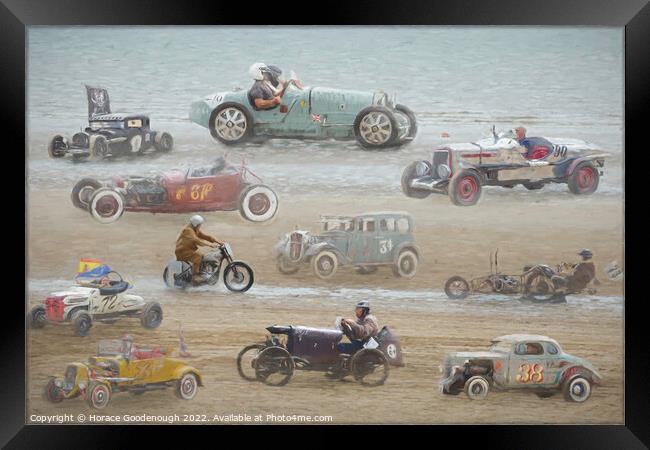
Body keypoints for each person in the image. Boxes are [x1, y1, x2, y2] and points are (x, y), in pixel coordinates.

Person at [175, 215, 223, 283]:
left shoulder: (195, 230)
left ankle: (204, 273)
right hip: (182, 251)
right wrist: (210, 245)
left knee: (205, 256)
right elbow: (197, 240)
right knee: (198, 256)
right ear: (196, 224)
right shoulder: (188, 230)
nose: (200, 226)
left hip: (189, 250)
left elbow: (206, 236)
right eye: (199, 225)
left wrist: (218, 241)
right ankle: (195, 276)